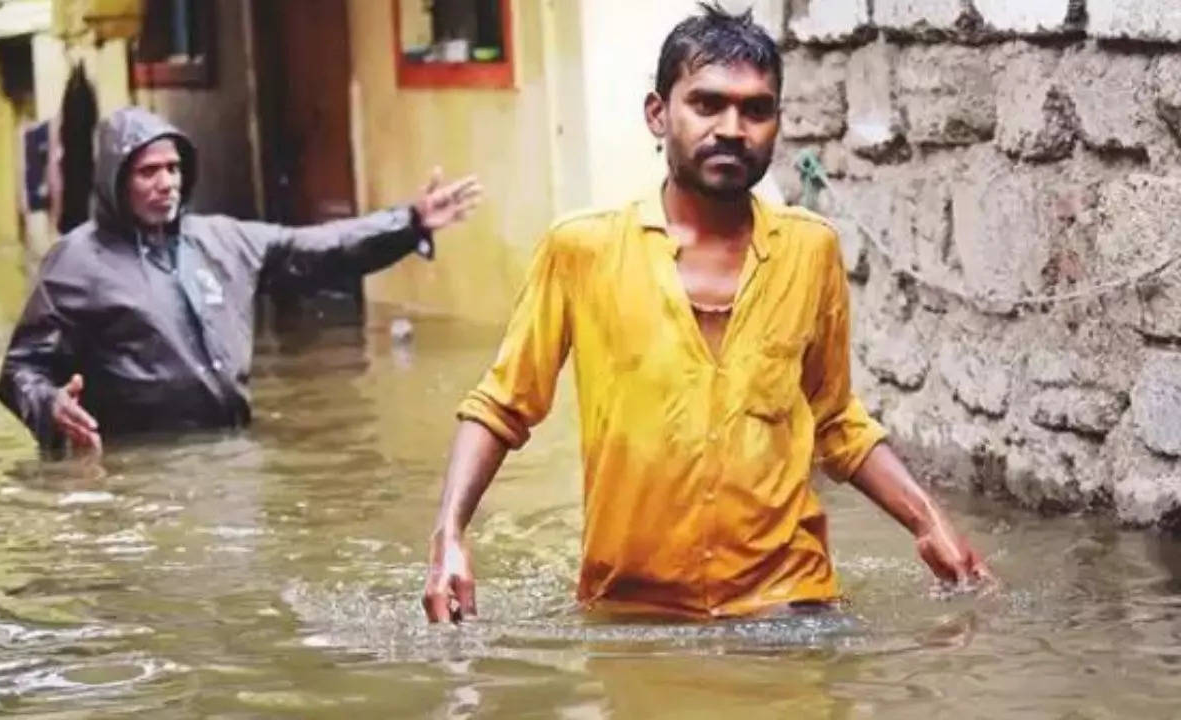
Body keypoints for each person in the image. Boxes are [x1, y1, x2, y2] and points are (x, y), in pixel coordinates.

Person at [422, 3, 992, 623]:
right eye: (707, 103)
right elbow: (502, 405)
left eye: (756, 109)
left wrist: (929, 523)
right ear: (658, 114)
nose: (732, 128)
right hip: (634, 607)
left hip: (789, 601)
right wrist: (449, 535)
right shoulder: (582, 249)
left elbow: (835, 420)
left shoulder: (811, 249)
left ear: (777, 123)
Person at [0, 106, 482, 454]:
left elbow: (319, 249)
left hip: (230, 451)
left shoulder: (223, 241)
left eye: (173, 169)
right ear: (115, 181)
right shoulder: (77, 261)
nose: (166, 183)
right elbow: (19, 372)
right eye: (149, 172)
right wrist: (49, 404)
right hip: (137, 463)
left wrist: (408, 222)